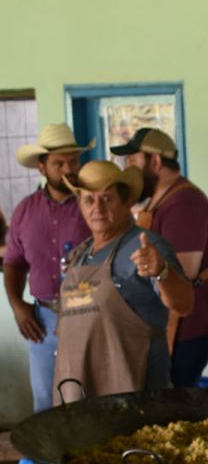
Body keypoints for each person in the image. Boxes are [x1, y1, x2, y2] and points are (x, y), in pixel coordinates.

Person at [54, 160, 193, 399]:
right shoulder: (81, 254)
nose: (97, 208)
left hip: (136, 394)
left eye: (107, 198)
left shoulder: (147, 246)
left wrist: (162, 271)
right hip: (81, 390)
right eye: (89, 200)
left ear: (126, 202)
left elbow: (185, 304)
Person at [111, 127, 208, 387]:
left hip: (189, 326)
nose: (127, 169)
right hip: (169, 323)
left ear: (155, 161)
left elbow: (183, 273)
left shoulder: (184, 203)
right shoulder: (159, 201)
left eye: (132, 160)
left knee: (175, 400)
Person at [3, 123, 92, 410]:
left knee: (86, 398)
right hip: (42, 319)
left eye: (73, 161)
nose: (68, 169)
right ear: (41, 167)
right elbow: (14, 262)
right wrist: (18, 305)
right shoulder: (25, 211)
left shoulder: (93, 206)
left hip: (88, 313)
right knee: (44, 401)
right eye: (59, 163)